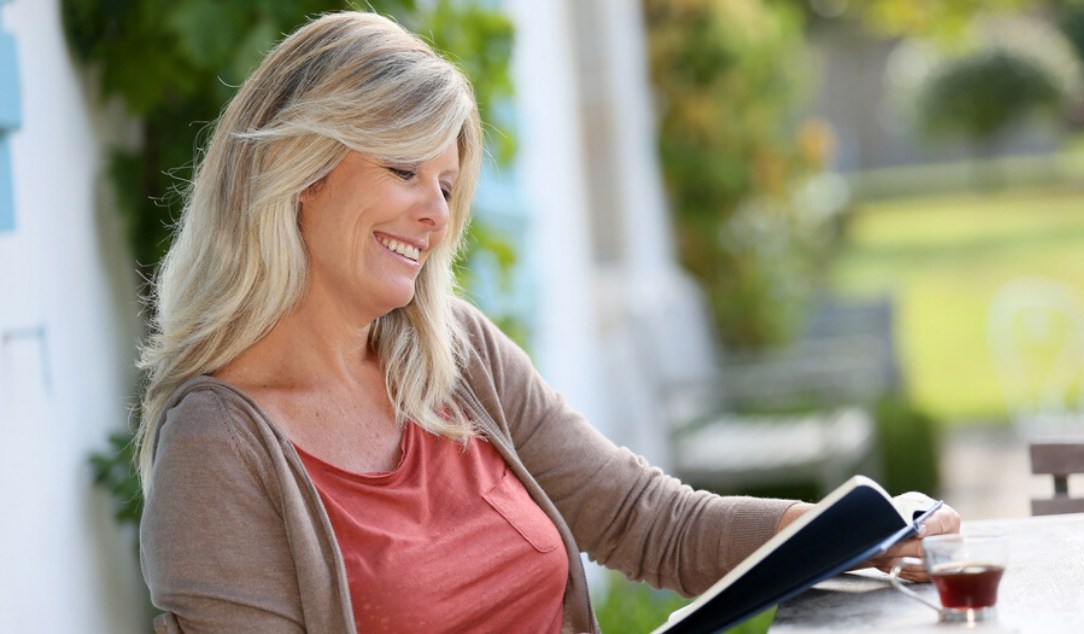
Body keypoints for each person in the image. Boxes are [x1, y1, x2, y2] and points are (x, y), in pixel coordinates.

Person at [136, 11, 959, 634]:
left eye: (449, 185)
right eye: (403, 170)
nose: (435, 212)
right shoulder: (216, 450)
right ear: (300, 176)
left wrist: (852, 537)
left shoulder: (453, 356)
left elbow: (646, 521)